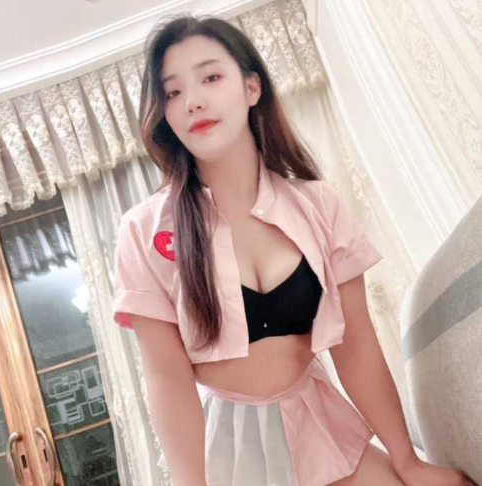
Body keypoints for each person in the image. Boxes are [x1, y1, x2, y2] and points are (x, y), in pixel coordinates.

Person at [111, 13, 478, 486]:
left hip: (319, 425)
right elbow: (167, 378)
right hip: (230, 451)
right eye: (173, 92)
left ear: (251, 88)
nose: (192, 101)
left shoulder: (318, 205)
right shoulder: (143, 231)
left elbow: (356, 343)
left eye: (210, 77)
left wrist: (406, 460)